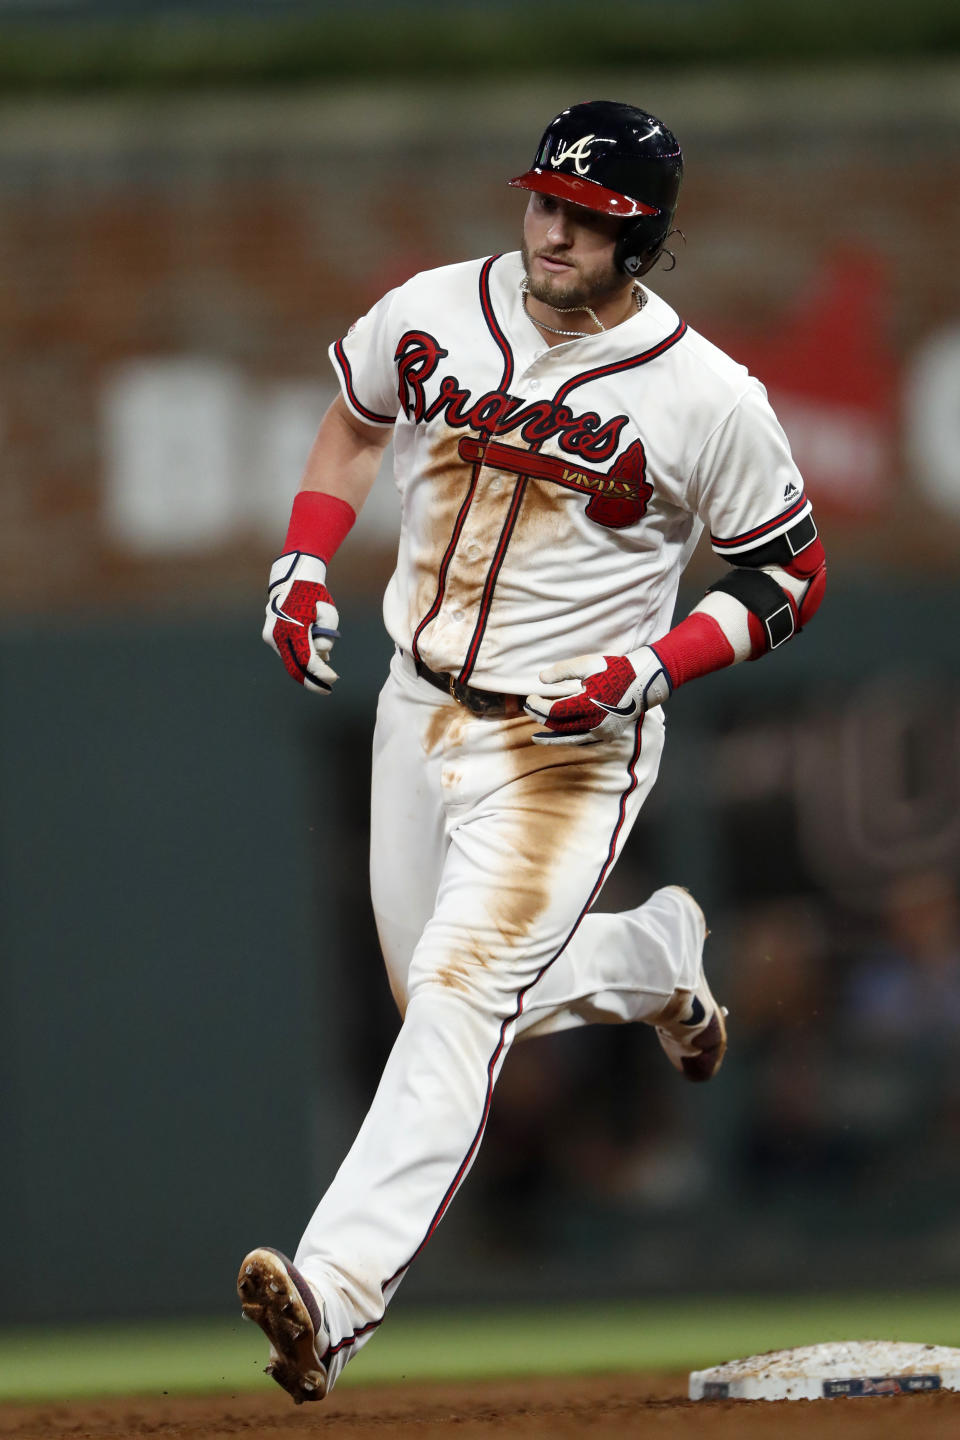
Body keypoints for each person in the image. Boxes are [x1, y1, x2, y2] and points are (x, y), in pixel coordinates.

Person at [238, 100, 826, 1403]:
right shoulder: (437, 308)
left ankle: (333, 1296)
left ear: (645, 236)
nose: (552, 228)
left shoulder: (708, 396)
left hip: (573, 744)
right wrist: (301, 553)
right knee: (436, 999)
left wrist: (657, 665)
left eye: (589, 216)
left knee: (456, 996)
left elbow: (791, 572)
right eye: (545, 201)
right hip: (417, 702)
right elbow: (353, 416)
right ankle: (654, 954)